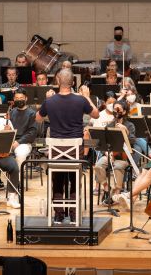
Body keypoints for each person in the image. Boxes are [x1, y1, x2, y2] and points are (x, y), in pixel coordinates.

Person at [36, 69, 100, 223]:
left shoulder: (50, 101)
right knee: (74, 178)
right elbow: (96, 114)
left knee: (57, 179)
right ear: (73, 83)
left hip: (56, 152)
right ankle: (73, 214)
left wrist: (46, 100)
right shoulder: (81, 101)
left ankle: (58, 215)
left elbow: (38, 118)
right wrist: (86, 97)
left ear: (58, 81)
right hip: (75, 152)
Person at [93, 100, 135, 206]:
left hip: (123, 156)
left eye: (118, 109)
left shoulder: (130, 125)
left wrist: (126, 132)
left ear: (124, 112)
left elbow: (133, 142)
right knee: (98, 165)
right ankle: (107, 189)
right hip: (110, 154)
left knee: (118, 165)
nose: (116, 111)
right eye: (114, 109)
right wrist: (106, 153)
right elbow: (103, 141)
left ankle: (117, 192)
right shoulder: (111, 124)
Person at [7, 88, 38, 168]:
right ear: (14, 99)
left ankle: (18, 179)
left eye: (21, 98)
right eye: (17, 98)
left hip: (24, 143)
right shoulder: (12, 112)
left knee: (20, 154)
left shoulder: (32, 113)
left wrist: (18, 142)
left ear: (26, 98)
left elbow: (32, 133)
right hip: (10, 141)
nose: (19, 100)